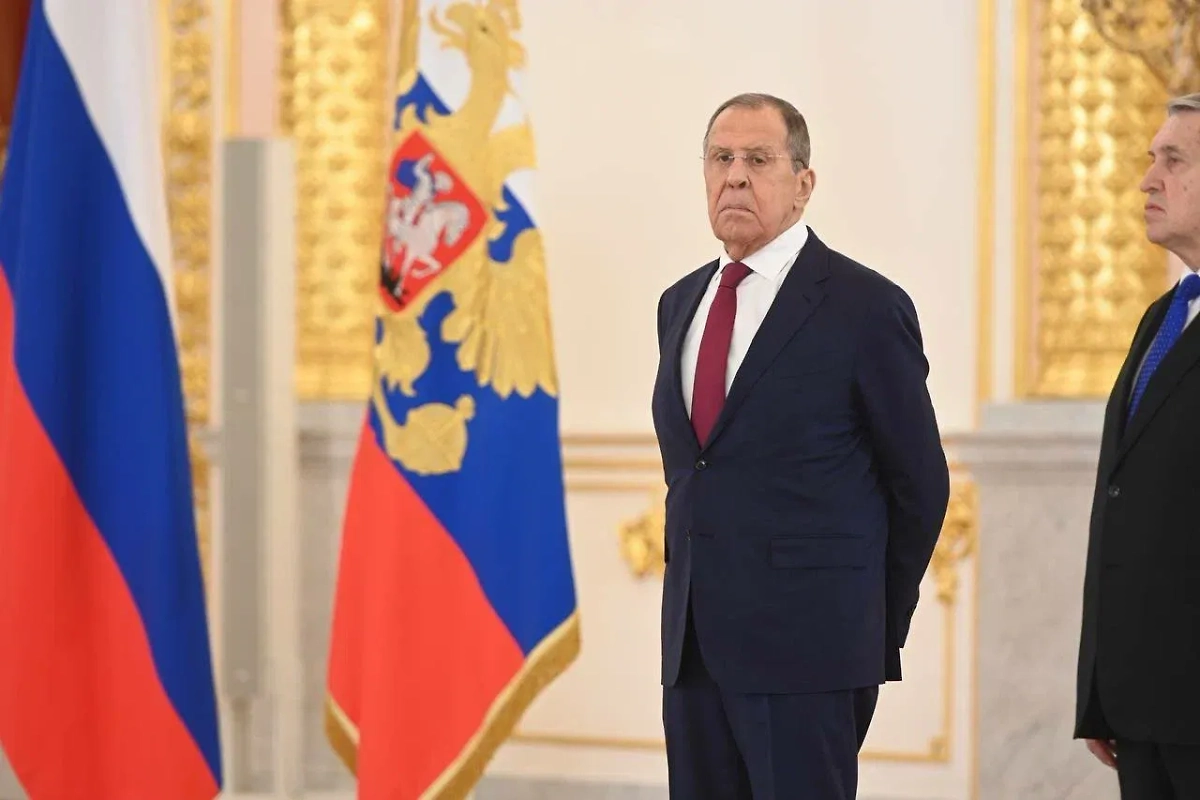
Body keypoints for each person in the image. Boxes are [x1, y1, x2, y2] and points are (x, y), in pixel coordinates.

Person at [650, 92, 950, 799]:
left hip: (811, 653)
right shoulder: (679, 303)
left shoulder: (865, 306)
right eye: (721, 159)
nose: (734, 176)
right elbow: (698, 470)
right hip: (693, 653)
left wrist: (866, 623)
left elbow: (920, 486)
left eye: (758, 160)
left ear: (803, 183)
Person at [1075, 92, 1200, 798]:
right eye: (1151, 159)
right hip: (1142, 703)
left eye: (1172, 160)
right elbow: (1123, 500)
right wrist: (1100, 685)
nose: (1147, 180)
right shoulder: (1162, 317)